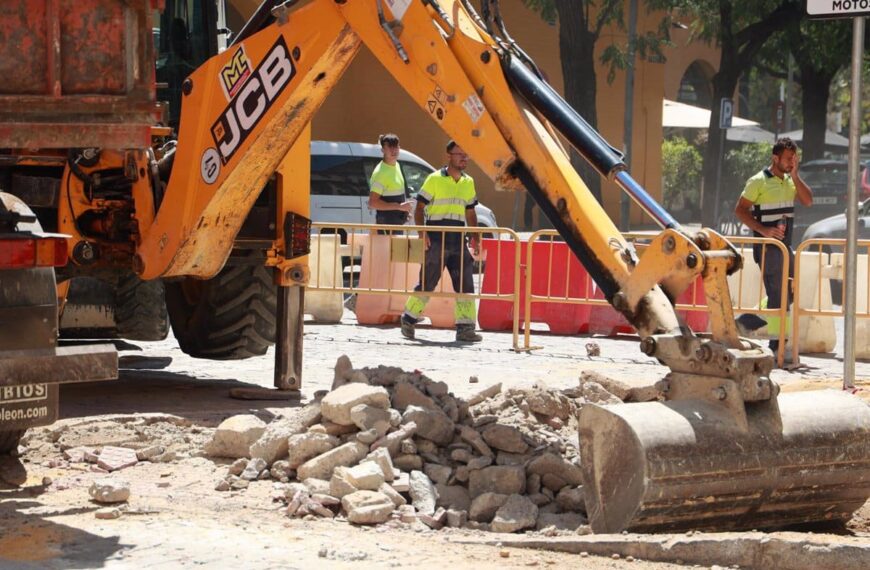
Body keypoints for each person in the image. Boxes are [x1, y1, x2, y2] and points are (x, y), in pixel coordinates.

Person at [733, 137, 813, 357]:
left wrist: (795, 176)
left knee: (788, 294)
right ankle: (778, 348)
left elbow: (808, 200)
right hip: (768, 247)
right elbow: (740, 210)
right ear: (775, 158)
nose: (791, 162)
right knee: (778, 294)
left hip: (785, 247)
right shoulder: (758, 181)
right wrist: (763, 230)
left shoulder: (790, 181)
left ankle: (746, 321)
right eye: (788, 159)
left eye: (794, 159)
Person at [400, 141, 483, 343]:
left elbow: (470, 211)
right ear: (448, 155)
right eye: (459, 154)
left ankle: (465, 328)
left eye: (466, 154)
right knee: (427, 282)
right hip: (436, 237)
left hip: (457, 237)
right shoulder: (434, 179)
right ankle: (408, 319)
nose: (464, 158)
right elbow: (420, 208)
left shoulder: (468, 182)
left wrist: (475, 237)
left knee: (465, 284)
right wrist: (423, 233)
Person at [368, 134, 413, 232]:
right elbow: (373, 202)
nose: (394, 150)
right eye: (390, 147)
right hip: (386, 227)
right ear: (382, 150)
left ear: (399, 148)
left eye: (396, 146)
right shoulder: (380, 173)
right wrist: (399, 207)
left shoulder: (397, 165)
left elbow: (395, 196)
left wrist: (403, 213)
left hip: (397, 225)